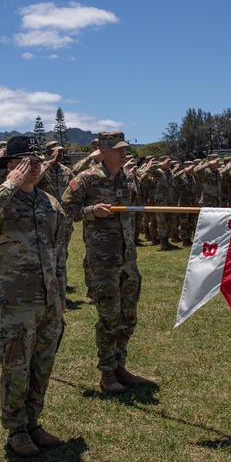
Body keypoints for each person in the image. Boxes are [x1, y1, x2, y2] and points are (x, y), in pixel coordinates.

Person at [0, 136, 67, 457]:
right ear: (11, 166)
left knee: (42, 365)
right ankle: (16, 429)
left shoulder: (50, 202)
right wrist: (8, 185)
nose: (34, 168)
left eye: (38, 162)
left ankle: (32, 421)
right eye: (26, 162)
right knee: (16, 366)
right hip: (16, 302)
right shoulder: (0, 202)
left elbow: (59, 251)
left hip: (49, 301)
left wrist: (61, 293)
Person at [61, 131, 151, 393]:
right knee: (109, 317)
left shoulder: (127, 178)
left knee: (128, 316)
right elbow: (64, 209)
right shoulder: (86, 179)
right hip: (102, 260)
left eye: (125, 148)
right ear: (102, 150)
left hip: (127, 258)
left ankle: (120, 364)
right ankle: (107, 372)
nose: (124, 153)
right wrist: (91, 211)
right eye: (117, 149)